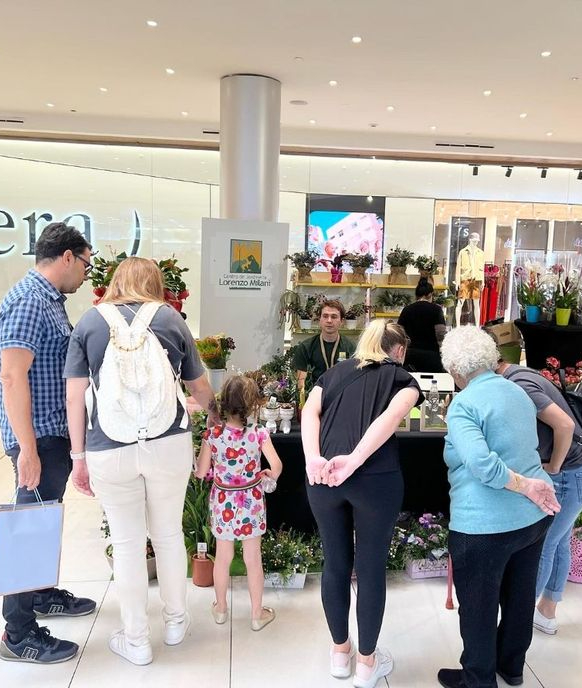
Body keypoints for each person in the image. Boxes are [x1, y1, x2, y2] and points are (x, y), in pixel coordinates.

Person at [64, 257, 219, 666]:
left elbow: (75, 396)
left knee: (128, 543)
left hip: (108, 446)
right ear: (156, 282)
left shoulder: (89, 323)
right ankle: (174, 622)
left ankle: (135, 640)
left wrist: (78, 456)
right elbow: (198, 384)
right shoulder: (170, 318)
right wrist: (218, 415)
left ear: (114, 281)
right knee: (168, 534)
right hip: (168, 443)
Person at [0, 222, 97, 664]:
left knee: (44, 520)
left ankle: (39, 593)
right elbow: (12, 376)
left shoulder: (50, 300)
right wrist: (29, 450)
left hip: (53, 432)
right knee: (27, 528)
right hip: (38, 436)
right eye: (87, 265)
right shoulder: (28, 301)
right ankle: (17, 634)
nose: (87, 274)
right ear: (68, 257)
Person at [301, 320, 424, 688]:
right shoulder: (403, 379)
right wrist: (354, 460)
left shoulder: (332, 374)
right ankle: (367, 665)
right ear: (399, 349)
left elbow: (310, 413)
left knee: (335, 564)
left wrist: (313, 459)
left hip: (323, 479)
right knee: (370, 570)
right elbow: (392, 418)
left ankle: (341, 654)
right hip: (375, 480)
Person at [437, 326, 560, 688]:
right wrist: (531, 488)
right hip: (532, 520)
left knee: (478, 606)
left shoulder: (464, 403)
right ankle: (512, 666)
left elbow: (482, 465)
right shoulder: (517, 392)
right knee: (519, 597)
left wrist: (524, 486)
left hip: (484, 525)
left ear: (455, 370)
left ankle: (478, 679)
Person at [496, 359, 582, 635]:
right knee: (558, 542)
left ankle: (516, 623)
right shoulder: (521, 374)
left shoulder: (519, 383)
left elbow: (565, 426)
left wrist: (554, 467)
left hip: (574, 473)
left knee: (543, 544)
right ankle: (547, 612)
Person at [194, 375, 283, 631]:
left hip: (223, 502)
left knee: (223, 558)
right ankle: (257, 614)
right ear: (252, 405)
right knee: (253, 558)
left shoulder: (213, 435)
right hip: (251, 502)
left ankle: (220, 609)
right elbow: (276, 465)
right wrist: (269, 475)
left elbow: (201, 472)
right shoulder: (259, 434)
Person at [292, 299, 356, 390]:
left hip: (341, 397)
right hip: (313, 397)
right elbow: (301, 384)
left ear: (341, 321)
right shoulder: (306, 347)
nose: (329, 321)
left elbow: (355, 379)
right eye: (325, 316)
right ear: (319, 320)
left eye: (334, 317)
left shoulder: (351, 347)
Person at [397, 277, 447, 372]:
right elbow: (440, 334)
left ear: (416, 295)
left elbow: (399, 333)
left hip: (410, 356)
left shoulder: (407, 310)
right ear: (430, 294)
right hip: (432, 356)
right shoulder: (436, 310)